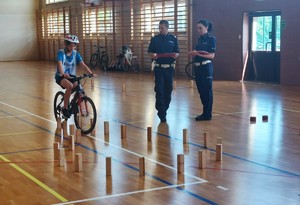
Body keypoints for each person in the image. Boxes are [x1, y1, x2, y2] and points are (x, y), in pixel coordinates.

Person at [55, 34, 95, 119]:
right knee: (70, 86)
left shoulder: (76, 54)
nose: (73, 47)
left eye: (74, 45)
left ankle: (73, 103)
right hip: (61, 76)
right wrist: (63, 74)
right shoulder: (61, 53)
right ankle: (65, 108)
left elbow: (83, 65)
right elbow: (60, 65)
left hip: (71, 76)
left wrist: (90, 73)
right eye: (71, 45)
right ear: (66, 44)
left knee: (78, 86)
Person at [148, 20, 179, 123]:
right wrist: (153, 55)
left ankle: (164, 109)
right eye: (159, 28)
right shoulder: (155, 39)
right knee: (159, 90)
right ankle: (162, 113)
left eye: (162, 28)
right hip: (159, 68)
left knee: (168, 90)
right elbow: (150, 52)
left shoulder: (173, 39)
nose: (160, 30)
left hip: (169, 68)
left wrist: (175, 55)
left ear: (167, 28)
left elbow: (177, 52)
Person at [188, 19, 216, 121]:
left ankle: (207, 114)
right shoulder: (199, 39)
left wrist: (199, 54)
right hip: (198, 67)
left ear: (206, 27)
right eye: (197, 28)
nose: (198, 30)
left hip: (206, 67)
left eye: (200, 28)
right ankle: (205, 112)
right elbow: (198, 53)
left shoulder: (211, 39)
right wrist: (193, 55)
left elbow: (211, 56)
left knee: (207, 91)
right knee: (201, 91)